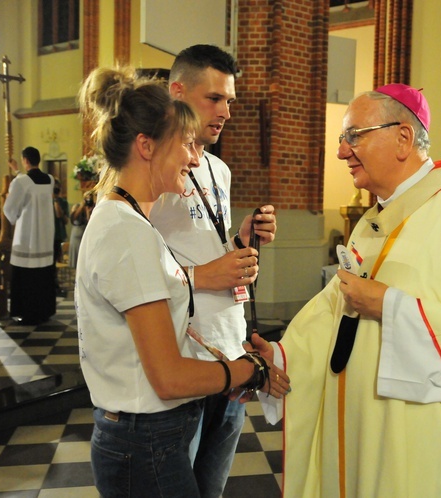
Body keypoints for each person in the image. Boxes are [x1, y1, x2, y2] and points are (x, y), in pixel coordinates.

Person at [250, 84, 441, 497]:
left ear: (404, 138)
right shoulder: (374, 219)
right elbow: (337, 307)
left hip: (413, 443)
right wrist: (283, 355)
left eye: (354, 136)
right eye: (343, 138)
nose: (341, 152)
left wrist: (390, 306)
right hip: (356, 429)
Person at [75, 65, 289, 498]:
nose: (195, 159)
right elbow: (168, 377)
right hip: (144, 436)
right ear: (146, 146)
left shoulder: (136, 222)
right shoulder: (126, 231)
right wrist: (250, 371)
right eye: (185, 145)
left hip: (152, 431)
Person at [148, 44, 278, 498]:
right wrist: (205, 276)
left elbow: (207, 246)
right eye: (214, 98)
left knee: (212, 488)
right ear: (177, 90)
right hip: (184, 355)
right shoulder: (152, 167)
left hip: (229, 348)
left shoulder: (218, 168)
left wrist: (241, 242)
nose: (225, 111)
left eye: (230, 101)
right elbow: (128, 267)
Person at [3, 146, 56, 325]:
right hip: (46, 238)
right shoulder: (50, 180)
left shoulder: (21, 182)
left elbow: (10, 208)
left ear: (25, 160)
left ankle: (26, 312)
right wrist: (17, 171)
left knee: (26, 276)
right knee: (43, 275)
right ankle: (44, 311)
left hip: (27, 236)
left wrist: (13, 213)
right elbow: (29, 183)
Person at [68, 190, 94, 268]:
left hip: (86, 233)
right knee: (76, 259)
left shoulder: (93, 207)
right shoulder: (77, 206)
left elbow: (90, 222)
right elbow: (73, 218)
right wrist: (82, 205)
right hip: (77, 234)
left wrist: (88, 211)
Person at [52, 180, 69, 296]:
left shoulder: (62, 202)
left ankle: (55, 283)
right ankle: (52, 283)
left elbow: (64, 219)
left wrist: (56, 201)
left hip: (58, 235)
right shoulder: (45, 201)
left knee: (56, 261)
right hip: (48, 236)